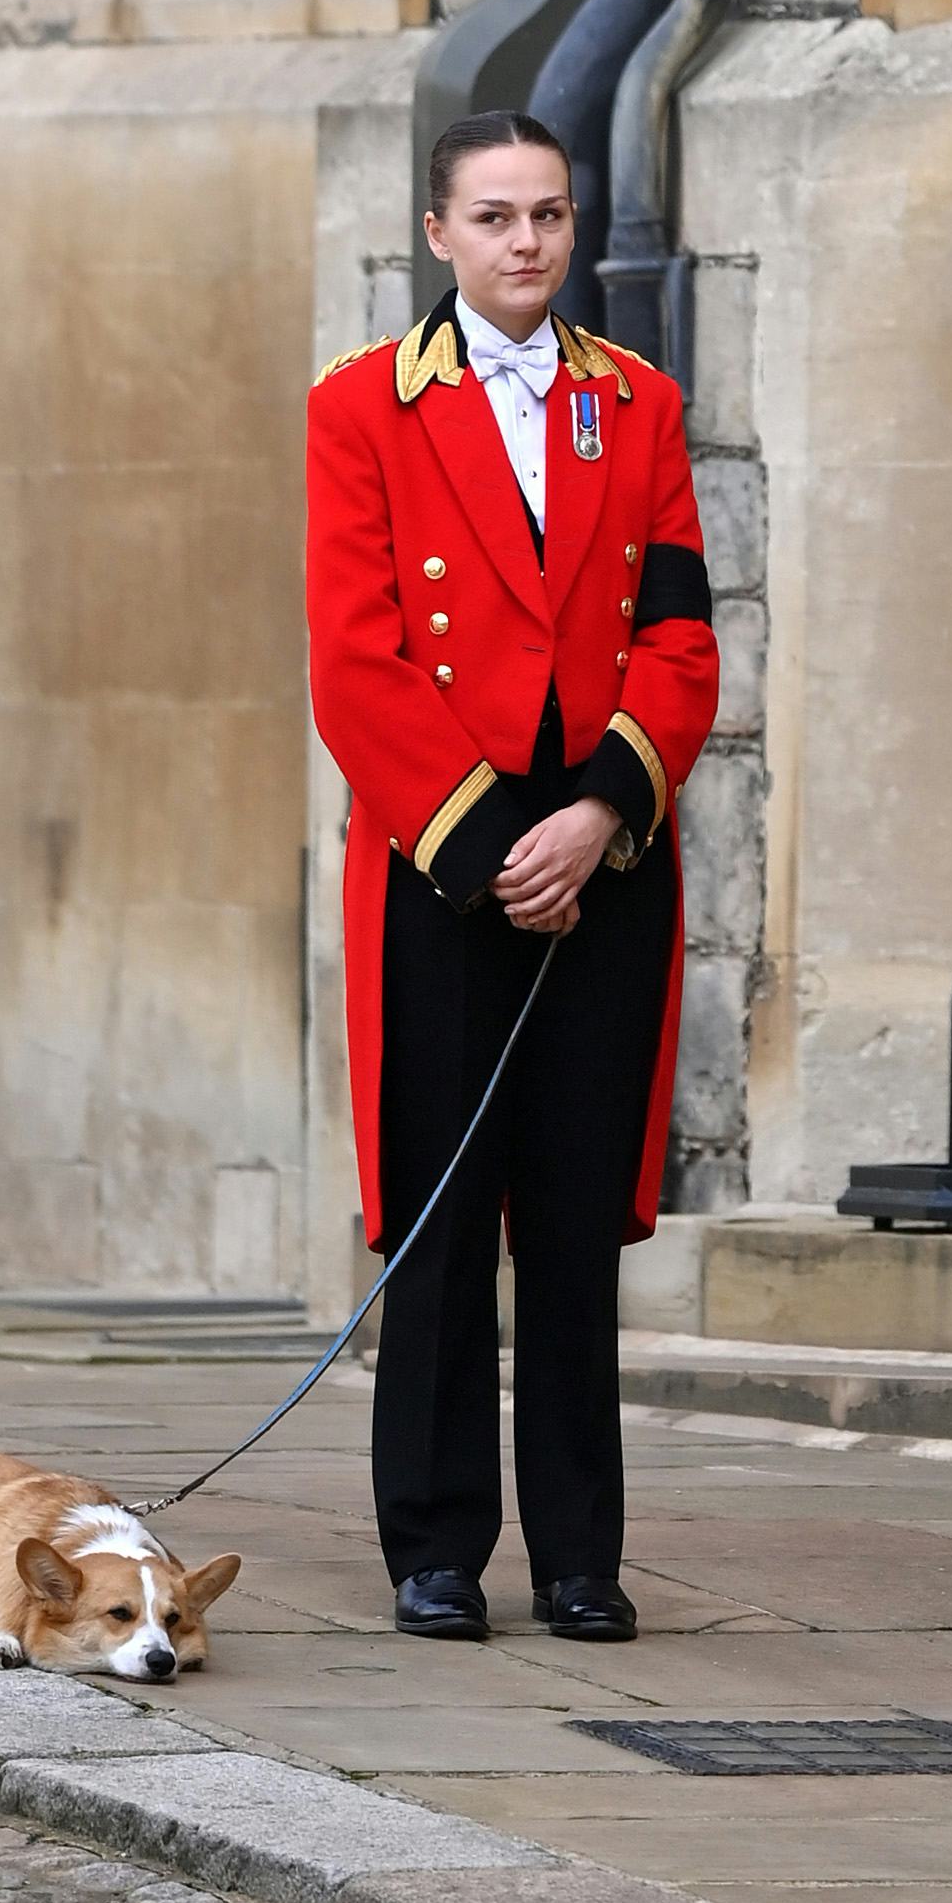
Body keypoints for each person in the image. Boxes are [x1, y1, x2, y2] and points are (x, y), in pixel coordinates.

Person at [305, 111, 718, 1643]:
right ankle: (431, 1541)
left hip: (601, 853)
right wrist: (491, 849)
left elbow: (679, 635)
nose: (526, 241)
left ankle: (578, 1553)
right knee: (441, 1211)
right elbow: (355, 664)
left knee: (566, 1215)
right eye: (494, 216)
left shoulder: (641, 404)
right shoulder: (362, 407)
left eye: (548, 214)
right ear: (439, 233)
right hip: (442, 864)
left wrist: (600, 810)